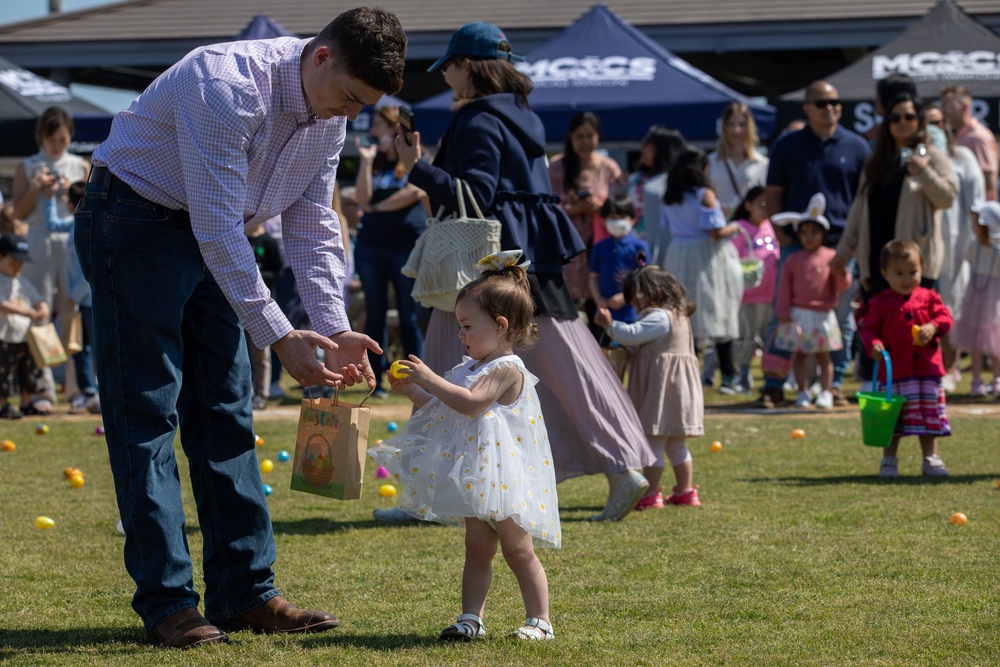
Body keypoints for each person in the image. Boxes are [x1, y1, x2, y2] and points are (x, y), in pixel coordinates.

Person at [73, 8, 406, 649]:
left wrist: (331, 327)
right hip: (132, 223)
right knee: (146, 411)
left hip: (209, 235)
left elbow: (312, 222)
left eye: (361, 107)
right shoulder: (225, 84)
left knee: (226, 411)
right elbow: (219, 227)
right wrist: (280, 336)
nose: (347, 115)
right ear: (321, 58)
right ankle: (170, 602)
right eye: (348, 97)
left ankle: (246, 592)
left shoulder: (327, 112)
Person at [397, 21, 654, 523]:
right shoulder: (522, 116)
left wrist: (418, 166)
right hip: (531, 253)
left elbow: (476, 192)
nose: (445, 75)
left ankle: (425, 496)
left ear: (466, 66)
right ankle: (622, 464)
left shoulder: (475, 118)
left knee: (450, 358)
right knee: (571, 363)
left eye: (448, 66)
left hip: (482, 264)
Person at [369, 252, 559, 641]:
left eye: (467, 326)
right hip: (478, 477)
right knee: (476, 549)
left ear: (501, 326)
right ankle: (470, 618)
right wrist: (413, 390)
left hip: (505, 479)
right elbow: (447, 409)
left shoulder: (507, 369)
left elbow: (470, 404)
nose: (460, 334)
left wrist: (427, 376)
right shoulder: (470, 368)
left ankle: (540, 620)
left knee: (518, 551)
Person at [760, 81, 870, 408]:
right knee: (782, 317)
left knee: (840, 321)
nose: (830, 107)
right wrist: (782, 235)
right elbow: (773, 193)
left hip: (839, 247)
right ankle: (774, 384)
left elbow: (864, 199)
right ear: (806, 107)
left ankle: (832, 384)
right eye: (821, 102)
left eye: (835, 101)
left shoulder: (857, 146)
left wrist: (853, 246)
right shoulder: (787, 145)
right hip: (796, 246)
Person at [835, 94, 957, 388]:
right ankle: (875, 381)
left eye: (909, 117)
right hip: (877, 260)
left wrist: (923, 171)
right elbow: (858, 211)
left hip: (915, 265)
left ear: (920, 121)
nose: (903, 123)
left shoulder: (932, 156)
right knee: (877, 324)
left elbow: (948, 197)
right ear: (886, 122)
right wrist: (843, 253)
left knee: (917, 329)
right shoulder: (875, 161)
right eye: (895, 117)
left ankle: (925, 384)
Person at [594, 263, 702, 509]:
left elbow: (633, 333)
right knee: (676, 443)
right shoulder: (679, 315)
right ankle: (685, 492)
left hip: (661, 391)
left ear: (652, 292)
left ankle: (651, 494)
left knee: (652, 441)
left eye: (636, 298)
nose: (634, 304)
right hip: (678, 391)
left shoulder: (660, 317)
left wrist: (610, 325)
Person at [11, 107, 91, 404]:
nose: (57, 146)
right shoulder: (28, 165)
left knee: (73, 310)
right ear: (41, 138)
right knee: (40, 309)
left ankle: (77, 385)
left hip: (71, 240)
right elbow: (17, 212)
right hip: (38, 239)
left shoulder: (79, 165)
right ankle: (43, 386)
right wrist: (35, 189)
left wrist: (69, 191)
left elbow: (89, 203)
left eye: (62, 139)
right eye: (51, 140)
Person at [860, 241, 953, 478]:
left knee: (928, 416)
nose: (906, 278)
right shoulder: (880, 302)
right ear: (885, 273)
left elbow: (945, 317)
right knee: (892, 420)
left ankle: (930, 458)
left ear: (922, 269)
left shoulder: (929, 297)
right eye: (898, 273)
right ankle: (889, 460)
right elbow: (868, 329)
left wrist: (932, 327)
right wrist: (874, 345)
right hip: (895, 374)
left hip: (926, 371)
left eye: (913, 272)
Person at [353, 105, 427, 398]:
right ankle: (377, 381)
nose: (373, 131)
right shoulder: (375, 161)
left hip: (405, 246)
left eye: (378, 126)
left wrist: (377, 207)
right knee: (375, 314)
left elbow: (416, 191)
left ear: (394, 128)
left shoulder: (412, 158)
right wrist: (364, 162)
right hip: (372, 246)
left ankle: (416, 377)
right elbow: (361, 197)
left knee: (409, 315)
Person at [661, 147, 744, 394]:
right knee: (717, 310)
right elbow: (716, 232)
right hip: (705, 256)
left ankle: (689, 375)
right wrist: (735, 226)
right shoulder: (704, 194)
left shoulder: (670, 197)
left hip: (678, 253)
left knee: (686, 314)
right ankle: (729, 375)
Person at [925, 102, 985, 389]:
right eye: (927, 122)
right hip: (924, 246)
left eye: (938, 122)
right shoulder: (915, 159)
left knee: (950, 308)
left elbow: (976, 203)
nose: (933, 128)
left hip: (957, 245)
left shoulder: (963, 157)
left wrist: (974, 246)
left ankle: (949, 368)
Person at [771, 194, 851, 409]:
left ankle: (826, 391)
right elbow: (784, 289)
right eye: (804, 233)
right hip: (799, 315)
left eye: (814, 232)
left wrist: (841, 271)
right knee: (799, 356)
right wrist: (783, 312)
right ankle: (802, 392)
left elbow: (841, 286)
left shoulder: (830, 256)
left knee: (824, 356)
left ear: (823, 234)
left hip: (823, 315)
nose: (809, 237)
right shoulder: (793, 260)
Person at [548, 112, 623, 337]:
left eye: (590, 136)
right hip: (566, 248)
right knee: (566, 308)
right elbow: (547, 207)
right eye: (580, 136)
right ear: (570, 137)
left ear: (598, 137)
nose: (585, 142)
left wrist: (600, 208)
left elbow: (622, 209)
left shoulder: (609, 167)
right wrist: (576, 209)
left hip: (598, 245)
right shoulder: (557, 166)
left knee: (598, 305)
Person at [41, 181, 99, 414]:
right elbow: (51, 224)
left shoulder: (91, 226)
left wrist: (74, 295)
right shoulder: (75, 223)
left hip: (90, 299)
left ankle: (101, 394)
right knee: (79, 347)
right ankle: (88, 393)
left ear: (71, 204)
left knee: (97, 348)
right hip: (79, 301)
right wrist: (48, 197)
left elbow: (92, 268)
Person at [729, 185, 779, 391]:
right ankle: (743, 375)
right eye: (761, 204)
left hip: (771, 295)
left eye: (768, 204)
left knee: (769, 337)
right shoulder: (739, 229)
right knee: (745, 338)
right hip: (747, 296)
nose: (765, 208)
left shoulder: (773, 226)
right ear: (748, 205)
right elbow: (731, 260)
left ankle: (771, 377)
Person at [950, 202, 1000, 397]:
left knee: (995, 343)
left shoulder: (997, 252)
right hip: (975, 299)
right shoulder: (973, 248)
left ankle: (997, 379)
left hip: (993, 301)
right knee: (976, 343)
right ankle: (976, 380)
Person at [0, 232, 50, 419]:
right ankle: (3, 405)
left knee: (28, 371)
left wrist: (42, 308)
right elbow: (2, 304)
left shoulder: (23, 282)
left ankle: (27, 403)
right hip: (5, 336)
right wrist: (26, 312)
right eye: (13, 262)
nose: (17, 267)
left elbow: (38, 299)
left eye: (20, 263)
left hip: (25, 336)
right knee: (5, 372)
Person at [588, 197, 649, 329]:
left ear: (632, 219)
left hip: (632, 313)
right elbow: (593, 277)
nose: (617, 221)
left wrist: (626, 297)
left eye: (621, 217)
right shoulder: (600, 247)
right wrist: (599, 301)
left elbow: (645, 278)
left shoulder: (639, 246)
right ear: (603, 220)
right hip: (604, 314)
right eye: (612, 217)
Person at [625, 125, 685, 243]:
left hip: (664, 246)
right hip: (634, 247)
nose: (642, 147)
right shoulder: (635, 178)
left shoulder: (676, 181)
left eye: (647, 143)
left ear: (661, 149)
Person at [245, 222, 283, 410]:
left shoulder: (268, 241)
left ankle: (261, 393)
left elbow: (278, 271)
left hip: (262, 306)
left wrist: (255, 275)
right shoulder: (238, 237)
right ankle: (242, 393)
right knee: (238, 354)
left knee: (261, 354)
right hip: (237, 304)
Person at [708, 102, 769, 215]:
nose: (736, 130)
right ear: (724, 127)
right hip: (719, 227)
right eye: (731, 124)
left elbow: (766, 201)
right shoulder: (710, 162)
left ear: (749, 127)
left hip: (750, 230)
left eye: (742, 124)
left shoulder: (762, 163)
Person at [941, 85, 998, 201]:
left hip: (977, 214)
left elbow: (988, 181)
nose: (944, 112)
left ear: (964, 107)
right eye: (943, 106)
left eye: (948, 106)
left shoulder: (977, 137)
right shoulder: (961, 135)